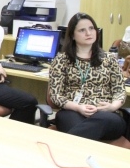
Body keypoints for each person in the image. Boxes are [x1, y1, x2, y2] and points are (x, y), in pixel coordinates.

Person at [49, 13, 129, 146]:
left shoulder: (109, 59)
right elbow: (56, 95)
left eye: (91, 28)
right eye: (82, 30)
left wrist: (112, 107)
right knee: (80, 126)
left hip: (105, 114)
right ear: (72, 35)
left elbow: (120, 90)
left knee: (101, 121)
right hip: (72, 111)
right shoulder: (62, 60)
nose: (88, 33)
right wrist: (78, 108)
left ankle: (63, 147)